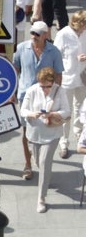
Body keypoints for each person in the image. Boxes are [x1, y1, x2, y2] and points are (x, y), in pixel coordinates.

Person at [18, 65, 69, 214]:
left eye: (48, 86)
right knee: (38, 162)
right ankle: (45, 178)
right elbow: (23, 110)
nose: (45, 89)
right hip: (34, 133)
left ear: (53, 82)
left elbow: (67, 111)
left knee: (44, 163)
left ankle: (41, 198)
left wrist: (53, 114)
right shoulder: (33, 90)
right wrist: (31, 114)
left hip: (52, 134)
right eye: (43, 86)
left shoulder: (60, 91)